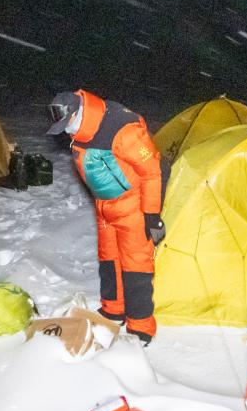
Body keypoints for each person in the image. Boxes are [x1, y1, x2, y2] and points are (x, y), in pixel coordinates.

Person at [46, 90, 164, 345]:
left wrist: (152, 215)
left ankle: (141, 327)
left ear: (76, 113)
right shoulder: (80, 132)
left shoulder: (122, 129)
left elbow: (152, 172)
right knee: (109, 260)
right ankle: (113, 310)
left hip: (133, 206)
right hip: (104, 207)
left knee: (135, 267)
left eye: (66, 125)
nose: (66, 132)